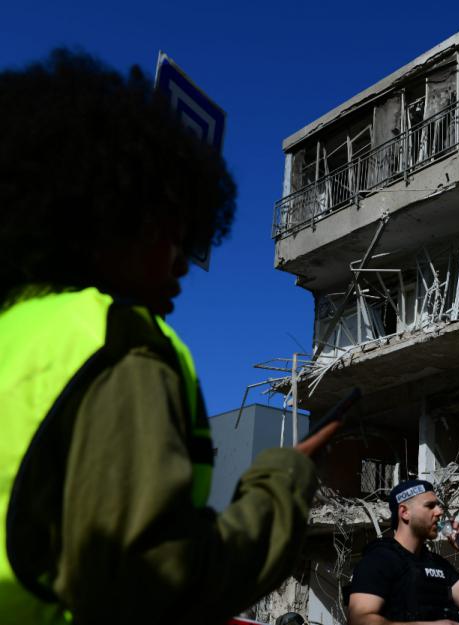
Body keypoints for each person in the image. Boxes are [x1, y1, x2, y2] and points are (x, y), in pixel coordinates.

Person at [0, 50, 344, 624]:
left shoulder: (18, 329)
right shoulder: (121, 344)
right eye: (170, 230)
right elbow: (158, 583)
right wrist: (282, 481)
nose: (184, 260)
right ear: (110, 215)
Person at [347, 480, 459, 625]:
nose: (439, 512)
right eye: (430, 506)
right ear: (404, 512)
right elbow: (359, 620)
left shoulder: (437, 564)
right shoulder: (379, 559)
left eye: (438, 505)